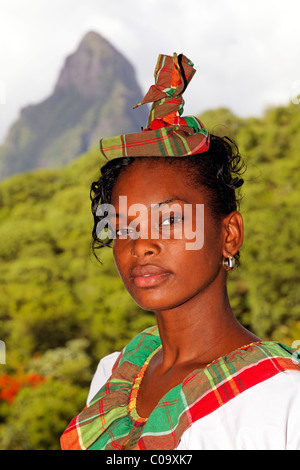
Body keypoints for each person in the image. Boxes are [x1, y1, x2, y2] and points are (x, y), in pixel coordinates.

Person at [60, 53, 300, 450]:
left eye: (170, 219)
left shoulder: (280, 399)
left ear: (229, 234)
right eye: (123, 226)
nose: (141, 245)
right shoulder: (113, 375)